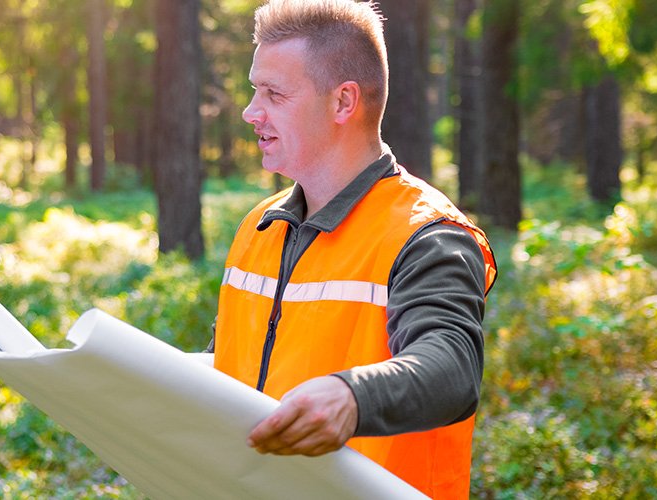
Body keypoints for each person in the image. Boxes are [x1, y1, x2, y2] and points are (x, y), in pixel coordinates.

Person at [207, 1, 497, 498]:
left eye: (273, 94)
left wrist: (351, 397)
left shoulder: (428, 235)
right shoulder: (259, 227)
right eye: (255, 90)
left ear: (344, 103)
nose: (250, 112)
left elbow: (451, 364)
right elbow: (229, 367)